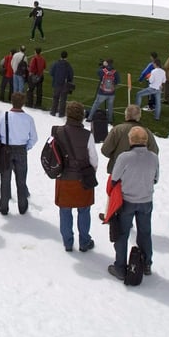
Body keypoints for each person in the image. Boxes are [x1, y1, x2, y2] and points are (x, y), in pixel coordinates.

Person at [108, 126, 159, 281]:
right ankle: (146, 263)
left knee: (122, 234)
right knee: (144, 233)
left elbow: (114, 177)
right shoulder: (153, 157)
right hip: (145, 200)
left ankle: (120, 266)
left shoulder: (124, 157)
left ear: (131, 140)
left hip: (127, 200)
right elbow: (156, 178)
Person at [54, 101, 99, 252]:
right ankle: (84, 241)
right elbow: (94, 159)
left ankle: (68, 242)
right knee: (84, 210)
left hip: (64, 177)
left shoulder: (57, 132)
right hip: (82, 179)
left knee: (65, 211)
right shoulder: (87, 135)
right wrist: (91, 171)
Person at [0, 93, 39, 215]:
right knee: (21, 180)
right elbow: (34, 138)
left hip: (6, 150)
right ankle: (22, 207)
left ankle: (3, 206)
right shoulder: (28, 119)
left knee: (5, 180)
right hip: (21, 150)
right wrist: (26, 147)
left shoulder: (3, 116)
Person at [101, 104, 160, 175]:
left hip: (118, 173)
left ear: (126, 115)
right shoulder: (146, 132)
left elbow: (105, 150)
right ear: (139, 116)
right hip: (138, 174)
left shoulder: (117, 130)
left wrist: (115, 157)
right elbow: (154, 152)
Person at [49, 51, 74, 118]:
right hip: (64, 85)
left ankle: (53, 112)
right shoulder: (68, 65)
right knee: (63, 99)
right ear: (66, 57)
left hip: (56, 83)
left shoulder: (56, 63)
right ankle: (61, 114)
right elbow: (71, 75)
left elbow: (51, 72)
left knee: (55, 98)